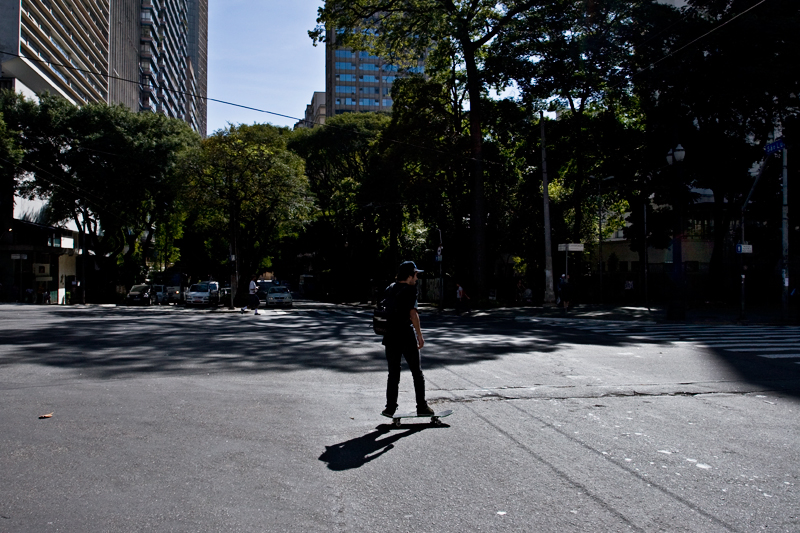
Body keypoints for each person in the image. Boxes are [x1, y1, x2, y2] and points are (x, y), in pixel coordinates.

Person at [380, 261, 434, 417]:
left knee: (393, 374)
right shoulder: (410, 290)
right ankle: (422, 407)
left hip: (389, 336)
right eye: (416, 275)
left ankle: (390, 408)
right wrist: (420, 335)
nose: (417, 278)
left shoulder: (390, 288)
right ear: (409, 276)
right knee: (417, 372)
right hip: (405, 335)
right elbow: (413, 314)